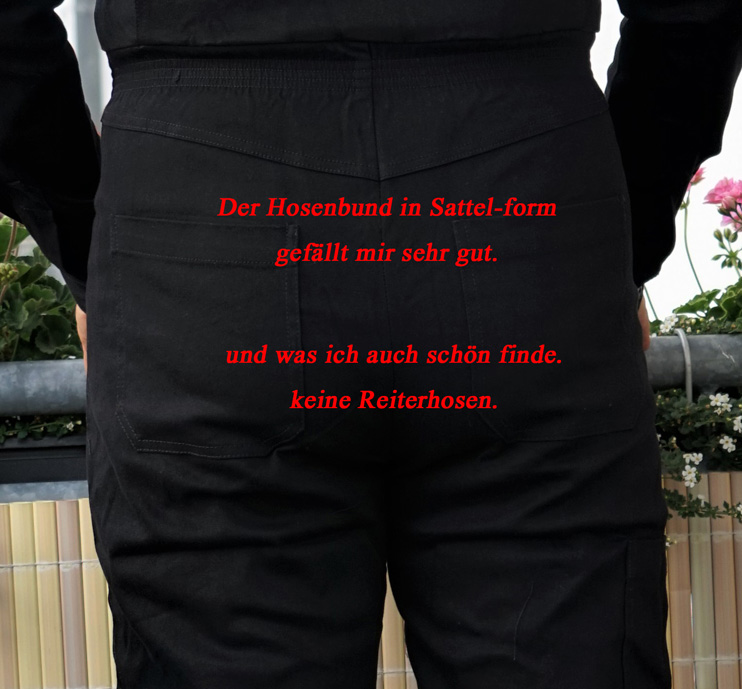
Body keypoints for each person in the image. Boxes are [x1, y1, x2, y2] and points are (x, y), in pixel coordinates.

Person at [1, 1, 741, 687]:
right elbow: (694, 13)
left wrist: (87, 237)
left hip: (206, 224)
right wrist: (623, 232)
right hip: (521, 199)